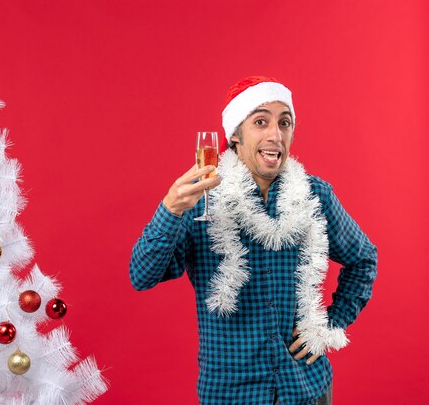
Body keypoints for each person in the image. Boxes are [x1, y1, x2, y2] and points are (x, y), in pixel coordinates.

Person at [129, 76, 377, 405]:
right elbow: (141, 276)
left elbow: (364, 258)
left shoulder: (315, 194)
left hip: (306, 388)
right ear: (234, 134)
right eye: (261, 122)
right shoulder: (200, 199)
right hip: (233, 393)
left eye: (284, 123)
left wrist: (330, 324)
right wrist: (170, 210)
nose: (276, 135)